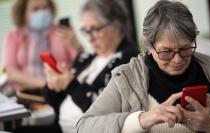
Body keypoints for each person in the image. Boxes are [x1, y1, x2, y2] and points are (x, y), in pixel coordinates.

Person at [75, 0, 210, 133]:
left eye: (185, 48)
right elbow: (84, 126)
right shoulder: (127, 78)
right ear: (148, 45)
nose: (178, 59)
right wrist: (143, 118)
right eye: (166, 51)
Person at [14, 0, 139, 132]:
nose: (89, 38)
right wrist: (53, 85)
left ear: (116, 25)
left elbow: (105, 111)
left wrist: (70, 84)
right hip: (61, 127)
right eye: (86, 30)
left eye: (95, 29)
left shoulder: (129, 61)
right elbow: (54, 101)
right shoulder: (88, 56)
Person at [2, 0, 78, 95]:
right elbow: (11, 73)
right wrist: (45, 83)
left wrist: (76, 43)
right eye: (35, 9)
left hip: (61, 91)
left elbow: (80, 61)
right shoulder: (13, 36)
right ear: (23, 14)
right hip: (26, 93)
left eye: (45, 7)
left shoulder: (62, 31)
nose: (42, 12)